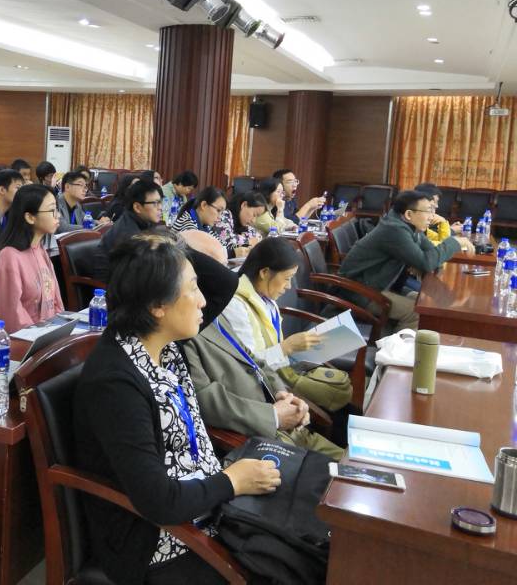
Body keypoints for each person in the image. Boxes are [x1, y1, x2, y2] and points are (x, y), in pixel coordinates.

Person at [75, 234, 281, 585]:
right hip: (160, 541)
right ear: (158, 305)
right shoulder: (115, 384)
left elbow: (224, 283)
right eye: (192, 288)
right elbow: (159, 502)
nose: (203, 300)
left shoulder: (165, 343)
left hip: (207, 505)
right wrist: (233, 481)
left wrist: (169, 244)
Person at [184, 238, 347, 460]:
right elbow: (208, 401)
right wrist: (274, 415)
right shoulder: (193, 330)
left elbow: (253, 360)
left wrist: (281, 394)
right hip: (262, 435)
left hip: (278, 412)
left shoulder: (213, 316)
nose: (227, 282)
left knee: (353, 460)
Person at [338, 190, 470, 330]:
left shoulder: (410, 227)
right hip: (359, 291)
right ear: (409, 214)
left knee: (424, 301)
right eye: (428, 211)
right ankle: (394, 344)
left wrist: (428, 260)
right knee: (415, 312)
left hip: (383, 284)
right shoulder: (394, 230)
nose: (432, 217)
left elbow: (430, 253)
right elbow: (426, 262)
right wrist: (454, 242)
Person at [0, 184, 64, 332]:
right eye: (52, 210)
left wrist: (62, 327)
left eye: (57, 210)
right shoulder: (9, 256)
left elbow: (56, 300)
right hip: (27, 338)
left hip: (50, 332)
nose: (58, 215)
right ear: (30, 217)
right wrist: (39, 336)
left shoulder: (40, 249)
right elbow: (12, 315)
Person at [95, 179, 165, 281]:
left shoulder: (143, 222)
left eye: (160, 202)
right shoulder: (128, 234)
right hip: (113, 285)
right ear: (137, 207)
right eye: (155, 203)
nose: (160, 208)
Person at [216, 191, 266, 258]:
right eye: (254, 215)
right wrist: (248, 242)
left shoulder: (244, 224)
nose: (253, 221)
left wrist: (243, 240)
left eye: (257, 217)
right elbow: (228, 242)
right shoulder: (224, 215)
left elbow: (258, 237)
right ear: (244, 205)